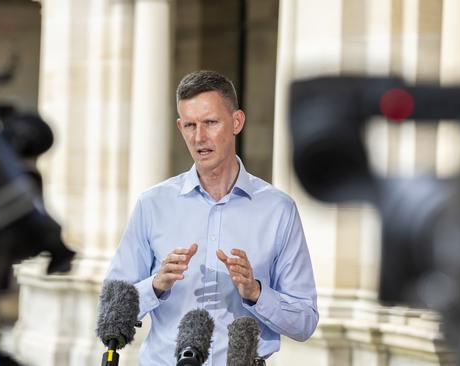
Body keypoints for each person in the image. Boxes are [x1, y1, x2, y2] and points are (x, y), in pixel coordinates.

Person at [104, 70, 318, 365]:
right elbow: (110, 309)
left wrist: (255, 292)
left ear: (237, 122)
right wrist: (156, 284)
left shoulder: (278, 210)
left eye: (210, 122)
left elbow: (305, 322)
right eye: (190, 125)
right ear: (180, 127)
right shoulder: (152, 204)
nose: (199, 137)